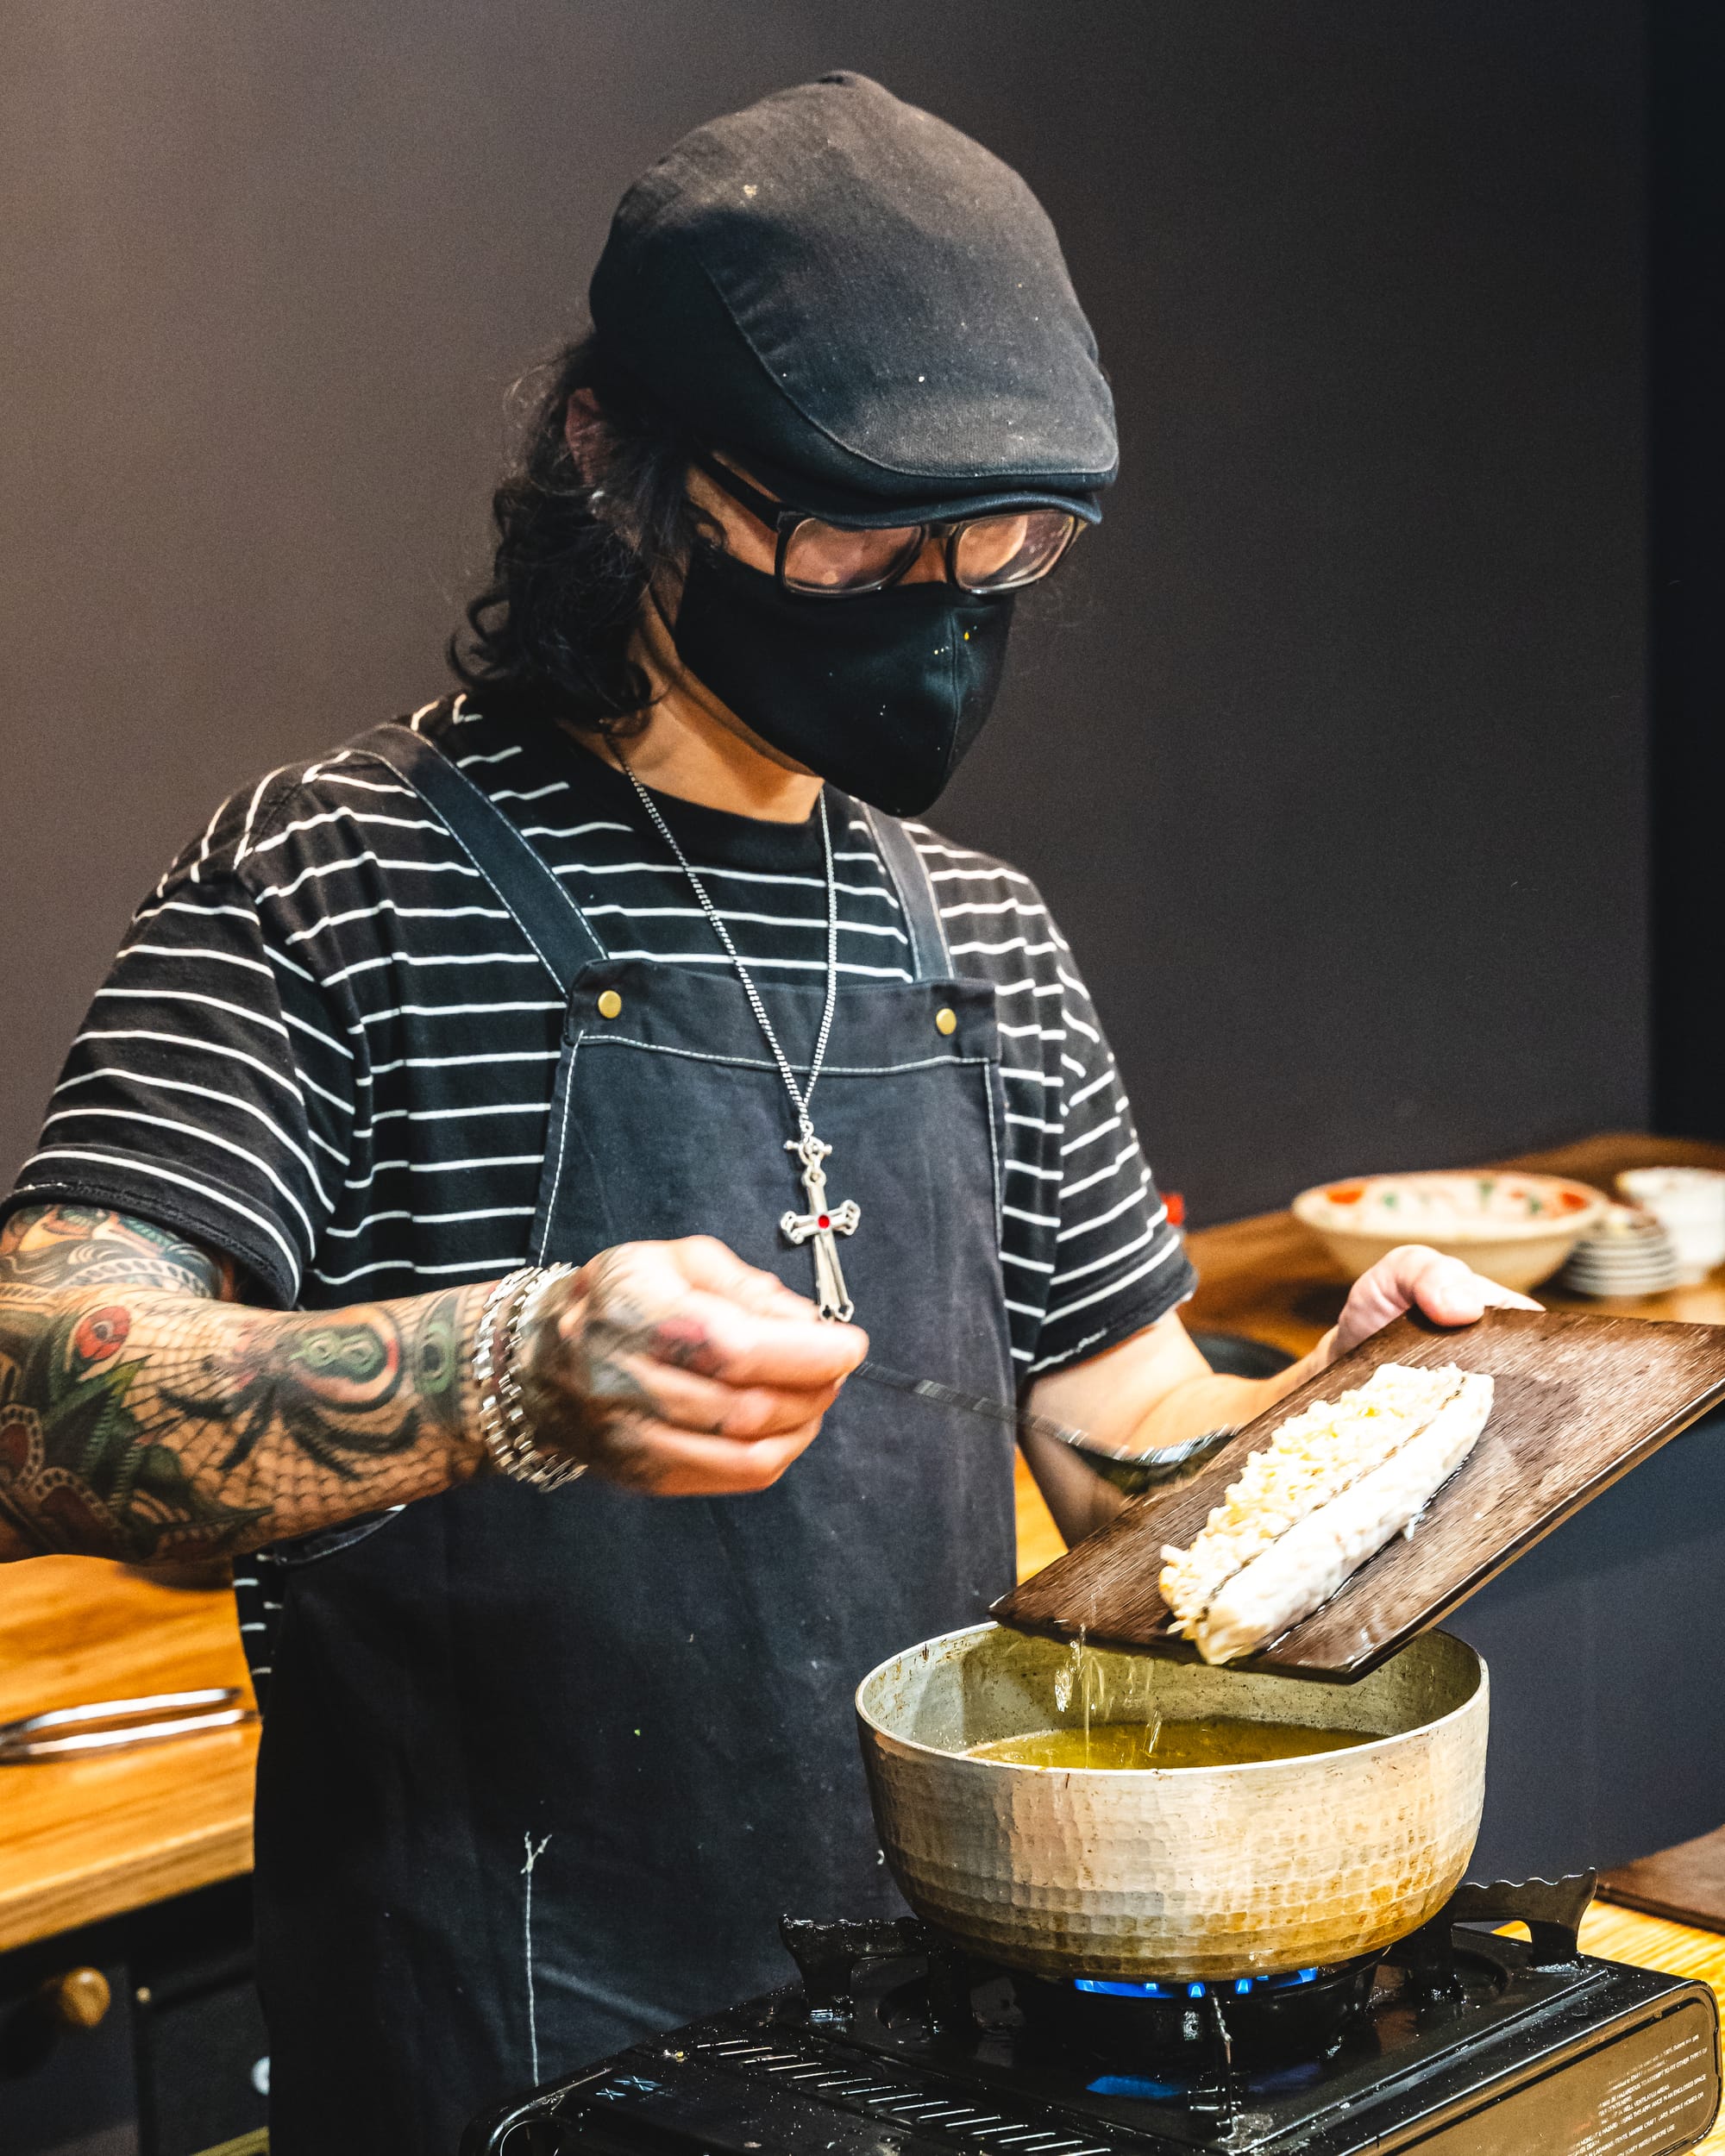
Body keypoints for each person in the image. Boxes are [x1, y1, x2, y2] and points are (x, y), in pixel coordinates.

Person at [0, 75, 1533, 2155]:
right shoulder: (334, 876)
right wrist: (505, 1364)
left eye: (1003, 544)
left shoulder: (981, 934)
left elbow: (1121, 1468)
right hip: (500, 2066)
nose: (943, 595)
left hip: (931, 2049)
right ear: (615, 457)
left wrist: (1329, 1437)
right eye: (860, 530)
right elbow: (31, 1381)